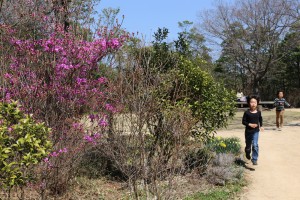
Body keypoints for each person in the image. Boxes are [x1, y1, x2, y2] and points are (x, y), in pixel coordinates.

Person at [242, 95, 264, 165]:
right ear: (249, 103)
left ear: (257, 103)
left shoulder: (258, 112)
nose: (253, 104)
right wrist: (249, 124)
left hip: (256, 131)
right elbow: (243, 121)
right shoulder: (247, 113)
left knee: (255, 145)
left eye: (255, 102)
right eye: (251, 102)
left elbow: (260, 119)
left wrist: (261, 126)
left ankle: (254, 159)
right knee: (248, 147)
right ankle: (247, 153)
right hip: (248, 132)